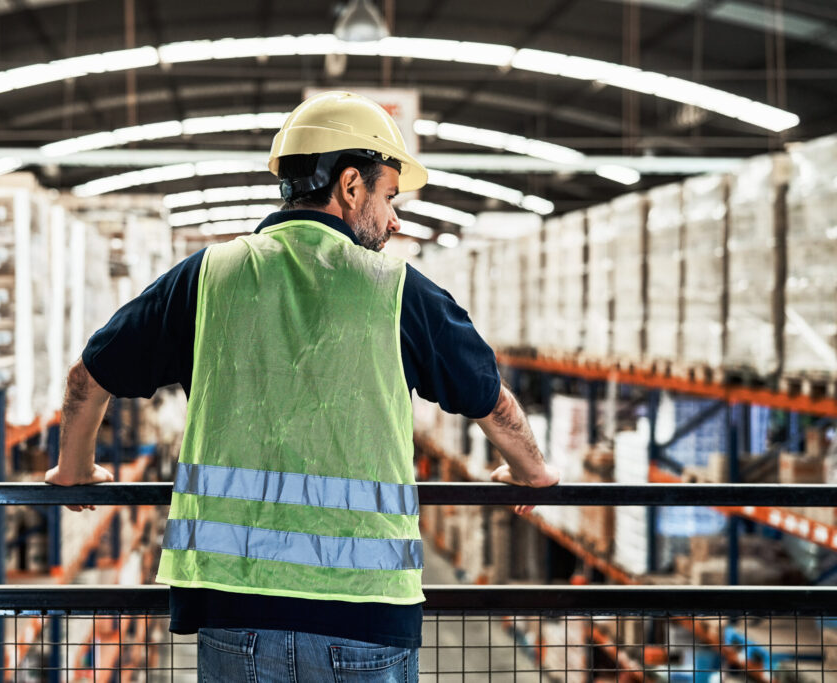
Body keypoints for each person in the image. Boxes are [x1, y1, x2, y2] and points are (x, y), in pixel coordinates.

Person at [45, 90, 559, 682]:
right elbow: (490, 399)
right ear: (350, 186)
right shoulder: (400, 292)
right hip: (365, 613)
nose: (394, 221)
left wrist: (74, 469)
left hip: (231, 608)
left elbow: (90, 375)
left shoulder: (208, 278)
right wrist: (532, 473)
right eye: (389, 197)